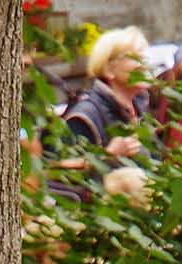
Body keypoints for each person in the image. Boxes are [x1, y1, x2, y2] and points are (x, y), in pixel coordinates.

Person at [60, 26, 154, 169]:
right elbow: (59, 169)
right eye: (135, 57)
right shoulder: (86, 114)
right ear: (108, 69)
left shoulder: (141, 105)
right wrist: (108, 155)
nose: (144, 63)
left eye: (144, 56)